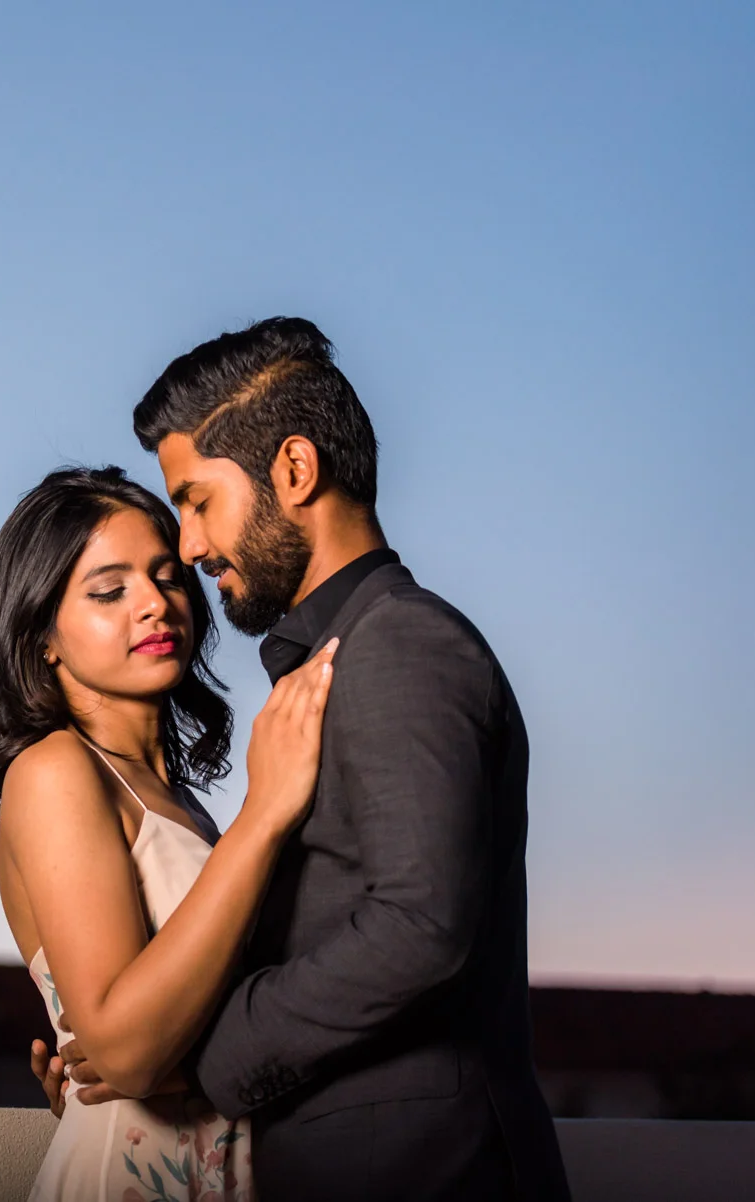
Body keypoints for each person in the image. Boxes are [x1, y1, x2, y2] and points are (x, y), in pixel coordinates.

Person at [39, 318, 573, 1201]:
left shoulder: (402, 644)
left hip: (422, 1173)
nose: (189, 546)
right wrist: (121, 1049)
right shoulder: (339, 661)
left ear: (293, 470)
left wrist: (198, 1062)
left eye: (198, 500)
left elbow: (420, 925)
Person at [0, 465, 339, 1201]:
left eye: (167, 577)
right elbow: (128, 1054)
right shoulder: (55, 769)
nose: (155, 604)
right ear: (43, 636)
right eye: (109, 590)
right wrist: (265, 815)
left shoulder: (182, 804)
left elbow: (180, 1016)